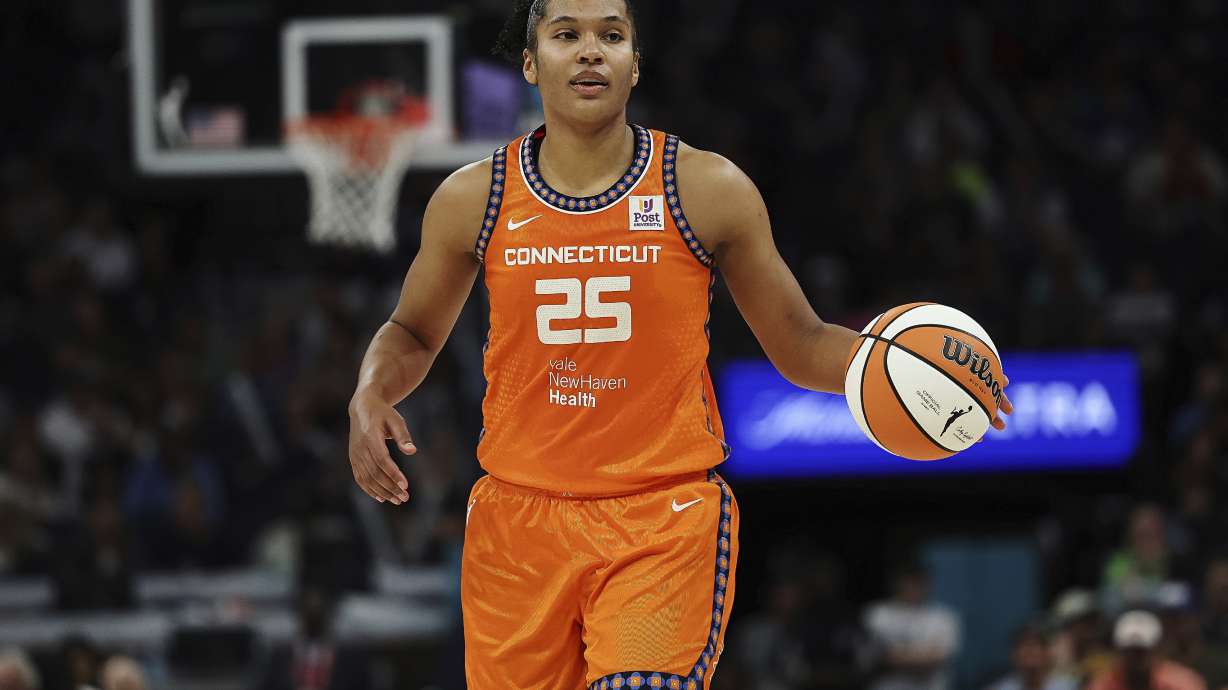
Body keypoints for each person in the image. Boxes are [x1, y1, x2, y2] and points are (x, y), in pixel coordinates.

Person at [345, 1, 1014, 688]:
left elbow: (801, 340)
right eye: (566, 35)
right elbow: (414, 332)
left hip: (659, 518)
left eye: (612, 35)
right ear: (530, 63)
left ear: (635, 64)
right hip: (517, 526)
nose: (590, 51)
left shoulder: (704, 188)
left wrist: (914, 375)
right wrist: (372, 391)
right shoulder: (473, 198)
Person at [863, 562, 961, 690]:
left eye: (918, 583)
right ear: (898, 583)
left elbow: (935, 661)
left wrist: (897, 657)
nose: (913, 588)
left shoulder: (944, 618)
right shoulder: (877, 614)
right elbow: (876, 656)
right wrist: (920, 656)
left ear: (928, 585)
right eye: (908, 582)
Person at [1087, 610, 1205, 690]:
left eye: (1141, 651)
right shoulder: (1103, 684)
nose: (1135, 658)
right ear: (1119, 651)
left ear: (1157, 650)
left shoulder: (1182, 684)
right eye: (1130, 651)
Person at [985, 625, 1078, 690]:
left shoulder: (1069, 687)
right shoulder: (1000, 688)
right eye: (1024, 645)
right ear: (1013, 655)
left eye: (1036, 645)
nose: (1030, 651)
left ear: (1048, 653)